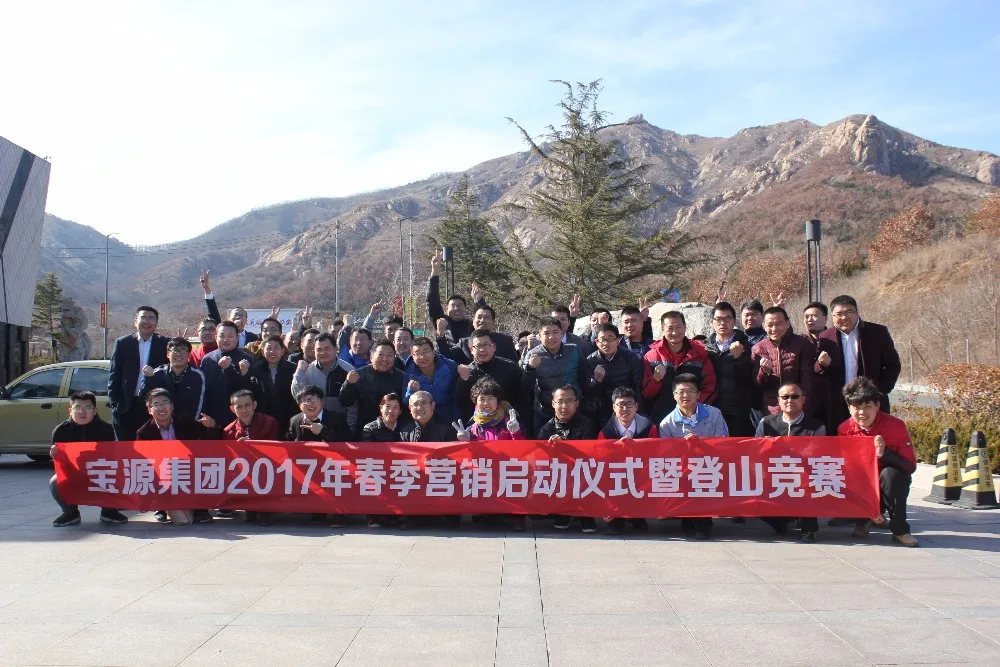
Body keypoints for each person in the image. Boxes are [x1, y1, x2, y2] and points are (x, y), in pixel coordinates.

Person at [837, 377, 918, 547]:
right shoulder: (844, 429)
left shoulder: (895, 426)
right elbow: (846, 469)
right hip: (863, 483)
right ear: (849, 408)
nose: (862, 413)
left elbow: (910, 466)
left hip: (889, 482)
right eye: (856, 407)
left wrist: (884, 454)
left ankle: (900, 531)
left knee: (890, 475)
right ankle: (863, 520)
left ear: (877, 406)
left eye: (867, 407)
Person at [816, 295, 902, 433]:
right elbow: (817, 370)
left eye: (849, 312)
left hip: (870, 402)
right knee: (842, 440)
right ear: (832, 316)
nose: (844, 317)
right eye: (839, 314)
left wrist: (880, 391)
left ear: (857, 312)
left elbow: (893, 365)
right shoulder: (826, 337)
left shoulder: (877, 332)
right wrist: (822, 365)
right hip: (839, 403)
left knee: (874, 441)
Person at [658, 374, 728, 540]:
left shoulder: (714, 414)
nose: (685, 395)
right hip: (682, 468)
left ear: (698, 394)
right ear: (674, 395)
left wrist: (701, 445)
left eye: (690, 391)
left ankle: (703, 523)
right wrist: (685, 449)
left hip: (711, 464)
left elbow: (724, 443)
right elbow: (667, 456)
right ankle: (687, 516)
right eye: (681, 392)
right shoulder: (666, 423)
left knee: (703, 475)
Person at [135, 388, 220, 524]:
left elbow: (208, 442)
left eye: (165, 402)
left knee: (205, 467)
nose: (161, 407)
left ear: (172, 406)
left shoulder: (186, 422)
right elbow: (141, 461)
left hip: (187, 470)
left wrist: (212, 426)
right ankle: (161, 508)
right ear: (149, 410)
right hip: (162, 473)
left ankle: (201, 509)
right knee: (183, 520)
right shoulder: (144, 433)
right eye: (156, 404)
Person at [755, 381, 826, 543]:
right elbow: (755, 453)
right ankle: (784, 520)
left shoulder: (816, 427)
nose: (789, 400)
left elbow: (818, 458)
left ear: (803, 399)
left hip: (803, 476)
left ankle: (808, 529)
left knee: (811, 481)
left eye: (795, 396)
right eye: (785, 397)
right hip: (773, 475)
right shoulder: (766, 423)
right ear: (778, 400)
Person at [50, 391, 127, 527]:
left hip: (100, 471)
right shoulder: (61, 431)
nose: (82, 411)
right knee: (55, 481)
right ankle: (70, 512)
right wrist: (54, 453)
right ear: (70, 410)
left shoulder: (106, 429)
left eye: (87, 407)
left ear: (95, 410)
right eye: (77, 407)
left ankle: (109, 511)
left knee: (120, 474)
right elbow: (60, 465)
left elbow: (111, 458)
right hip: (73, 473)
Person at [286, 384, 351, 528]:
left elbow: (348, 442)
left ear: (322, 401)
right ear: (299, 405)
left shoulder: (336, 418)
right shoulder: (295, 421)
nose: (310, 403)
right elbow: (288, 444)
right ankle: (316, 513)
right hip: (308, 467)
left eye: (314, 399)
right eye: (305, 400)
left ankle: (338, 515)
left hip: (334, 465)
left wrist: (323, 431)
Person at [537, 385, 598, 533]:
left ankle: (584, 514)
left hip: (582, 473)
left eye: (569, 401)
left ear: (577, 403)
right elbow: (539, 459)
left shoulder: (587, 424)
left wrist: (564, 446)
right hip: (558, 475)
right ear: (553, 404)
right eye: (560, 401)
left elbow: (590, 454)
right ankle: (564, 512)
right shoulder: (546, 429)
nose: (564, 406)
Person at [642, 311, 717, 425]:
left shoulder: (699, 354)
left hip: (694, 418)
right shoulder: (651, 357)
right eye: (670, 328)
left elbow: (710, 386)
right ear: (662, 329)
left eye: (678, 327)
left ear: (685, 327)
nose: (674, 332)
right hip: (661, 420)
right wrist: (655, 380)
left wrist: (693, 407)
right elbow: (646, 393)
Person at [599, 386, 656, 535]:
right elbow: (602, 464)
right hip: (616, 475)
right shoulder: (605, 433)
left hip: (641, 472)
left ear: (636, 407)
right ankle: (616, 520)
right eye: (621, 404)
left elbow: (656, 456)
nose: (625, 408)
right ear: (614, 407)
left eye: (629, 404)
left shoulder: (649, 428)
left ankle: (638, 517)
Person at [108, 306, 169, 440]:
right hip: (126, 406)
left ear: (156, 323)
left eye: (151, 318)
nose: (147, 321)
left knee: (152, 448)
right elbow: (114, 375)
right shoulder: (123, 343)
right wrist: (115, 403)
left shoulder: (165, 344)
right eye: (143, 317)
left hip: (154, 408)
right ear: (135, 321)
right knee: (126, 448)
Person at [522, 317, 587, 437]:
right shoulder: (532, 354)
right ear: (539, 336)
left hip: (573, 409)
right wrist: (530, 368)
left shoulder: (574, 350)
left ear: (562, 334)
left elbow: (584, 378)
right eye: (546, 333)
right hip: (545, 411)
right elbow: (525, 386)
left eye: (555, 332)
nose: (551, 337)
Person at [750, 306, 815, 417]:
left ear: (787, 323)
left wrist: (804, 405)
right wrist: (764, 372)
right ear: (764, 326)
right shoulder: (758, 348)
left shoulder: (802, 344)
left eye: (778, 324)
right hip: (772, 410)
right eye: (770, 325)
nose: (774, 329)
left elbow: (807, 380)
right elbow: (757, 384)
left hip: (798, 407)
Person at [705, 302, 757, 436]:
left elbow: (753, 378)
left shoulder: (748, 345)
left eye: (727, 318)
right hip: (712, 410)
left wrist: (739, 358)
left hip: (739, 411)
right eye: (718, 319)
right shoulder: (705, 348)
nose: (723, 323)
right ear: (712, 322)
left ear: (734, 321)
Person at [340, 339, 407, 437]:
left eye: (389, 355)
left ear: (394, 358)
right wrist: (348, 384)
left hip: (395, 432)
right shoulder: (358, 375)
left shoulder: (403, 377)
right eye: (380, 355)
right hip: (365, 431)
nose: (384, 359)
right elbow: (345, 402)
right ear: (371, 357)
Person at [455, 328, 525, 423]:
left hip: (509, 422)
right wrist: (463, 380)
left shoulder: (510, 368)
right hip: (478, 424)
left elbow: (523, 397)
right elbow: (462, 403)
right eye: (478, 346)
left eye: (486, 345)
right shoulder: (467, 372)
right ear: (471, 349)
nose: (482, 349)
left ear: (494, 347)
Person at [583, 323, 642, 425]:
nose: (606, 343)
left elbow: (637, 385)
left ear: (617, 341)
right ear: (596, 342)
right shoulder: (590, 361)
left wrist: (635, 406)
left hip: (627, 403)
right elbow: (589, 392)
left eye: (610, 339)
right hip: (603, 407)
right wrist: (596, 380)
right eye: (602, 339)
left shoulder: (630, 357)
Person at [199, 320, 254, 427]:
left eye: (230, 336)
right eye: (222, 336)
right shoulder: (208, 359)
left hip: (238, 417)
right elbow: (204, 390)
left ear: (237, 338)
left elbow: (249, 390)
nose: (226, 339)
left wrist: (239, 373)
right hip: (213, 416)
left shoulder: (246, 359)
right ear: (216, 337)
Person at [142, 337, 207, 422]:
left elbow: (199, 403)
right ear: (168, 354)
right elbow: (144, 397)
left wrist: (194, 424)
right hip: (160, 422)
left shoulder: (197, 375)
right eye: (175, 350)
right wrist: (148, 378)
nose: (179, 354)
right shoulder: (157, 373)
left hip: (187, 423)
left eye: (183, 350)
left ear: (189, 355)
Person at [425, 249, 484, 341]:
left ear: (465, 308)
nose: (456, 308)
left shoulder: (472, 326)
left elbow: (483, 318)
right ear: (446, 310)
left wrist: (478, 301)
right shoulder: (442, 323)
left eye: (460, 305)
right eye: (453, 306)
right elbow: (433, 300)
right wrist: (435, 272)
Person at [291, 332, 348, 424]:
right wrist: (299, 372)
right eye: (319, 349)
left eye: (327, 349)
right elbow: (297, 395)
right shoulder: (307, 371)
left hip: (339, 424)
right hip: (312, 423)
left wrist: (350, 426)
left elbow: (353, 405)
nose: (323, 353)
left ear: (336, 349)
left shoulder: (347, 370)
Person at [403, 336, 462, 423]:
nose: (422, 357)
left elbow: (459, 392)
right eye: (417, 353)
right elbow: (405, 402)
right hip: (426, 419)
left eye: (426, 352)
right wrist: (410, 391)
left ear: (433, 352)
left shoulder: (449, 366)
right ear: (412, 356)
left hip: (452, 417)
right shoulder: (409, 374)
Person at [248, 335, 299, 435]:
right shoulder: (255, 369)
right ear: (263, 351)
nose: (272, 351)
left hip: (287, 418)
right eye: (269, 348)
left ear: (282, 351)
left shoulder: (293, 369)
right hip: (262, 420)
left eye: (276, 348)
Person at [436, 304, 518, 363]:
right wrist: (440, 335)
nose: (482, 321)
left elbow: (514, 365)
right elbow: (446, 356)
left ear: (493, 323)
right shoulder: (464, 343)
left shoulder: (505, 340)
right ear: (473, 322)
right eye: (479, 317)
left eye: (486, 317)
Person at [200, 268, 259, 346]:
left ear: (246, 320)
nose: (238, 317)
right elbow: (213, 311)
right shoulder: (220, 333)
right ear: (229, 319)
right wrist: (207, 290)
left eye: (241, 315)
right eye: (235, 315)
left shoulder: (254, 338)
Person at [803, 301, 831, 429]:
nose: (809, 319)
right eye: (806, 316)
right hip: (808, 403)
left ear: (825, 319)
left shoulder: (835, 340)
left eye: (814, 316)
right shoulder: (801, 342)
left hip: (832, 401)